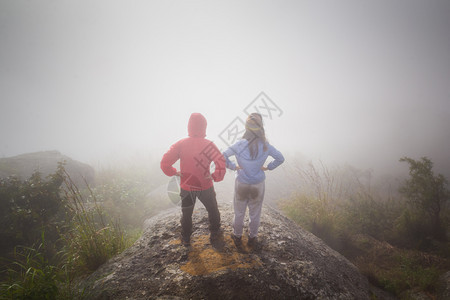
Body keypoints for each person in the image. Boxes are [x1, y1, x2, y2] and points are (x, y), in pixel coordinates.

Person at [161, 113, 226, 247]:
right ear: (204, 127)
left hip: (187, 186)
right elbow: (221, 163)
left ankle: (186, 238)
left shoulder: (181, 144)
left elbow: (164, 163)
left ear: (189, 127)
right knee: (213, 210)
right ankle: (215, 233)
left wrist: (174, 172)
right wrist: (214, 175)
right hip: (205, 186)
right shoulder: (209, 145)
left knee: (187, 214)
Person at [223, 113, 284, 249]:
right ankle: (252, 238)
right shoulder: (265, 145)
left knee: (239, 213)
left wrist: (233, 166)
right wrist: (268, 167)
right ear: (260, 128)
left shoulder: (239, 144)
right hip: (257, 184)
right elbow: (280, 158)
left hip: (241, 183)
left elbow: (222, 156)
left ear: (246, 128)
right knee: (255, 213)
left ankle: (237, 236)